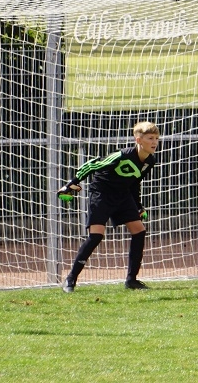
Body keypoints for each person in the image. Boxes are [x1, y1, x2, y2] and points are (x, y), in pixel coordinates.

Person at [58, 121, 160, 292]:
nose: (154, 142)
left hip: (123, 195)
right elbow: (92, 165)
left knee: (139, 231)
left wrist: (138, 206)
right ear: (138, 140)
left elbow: (135, 183)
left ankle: (131, 280)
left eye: (156, 138)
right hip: (102, 193)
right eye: (150, 138)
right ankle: (70, 279)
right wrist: (71, 184)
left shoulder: (150, 161)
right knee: (96, 235)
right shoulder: (122, 155)